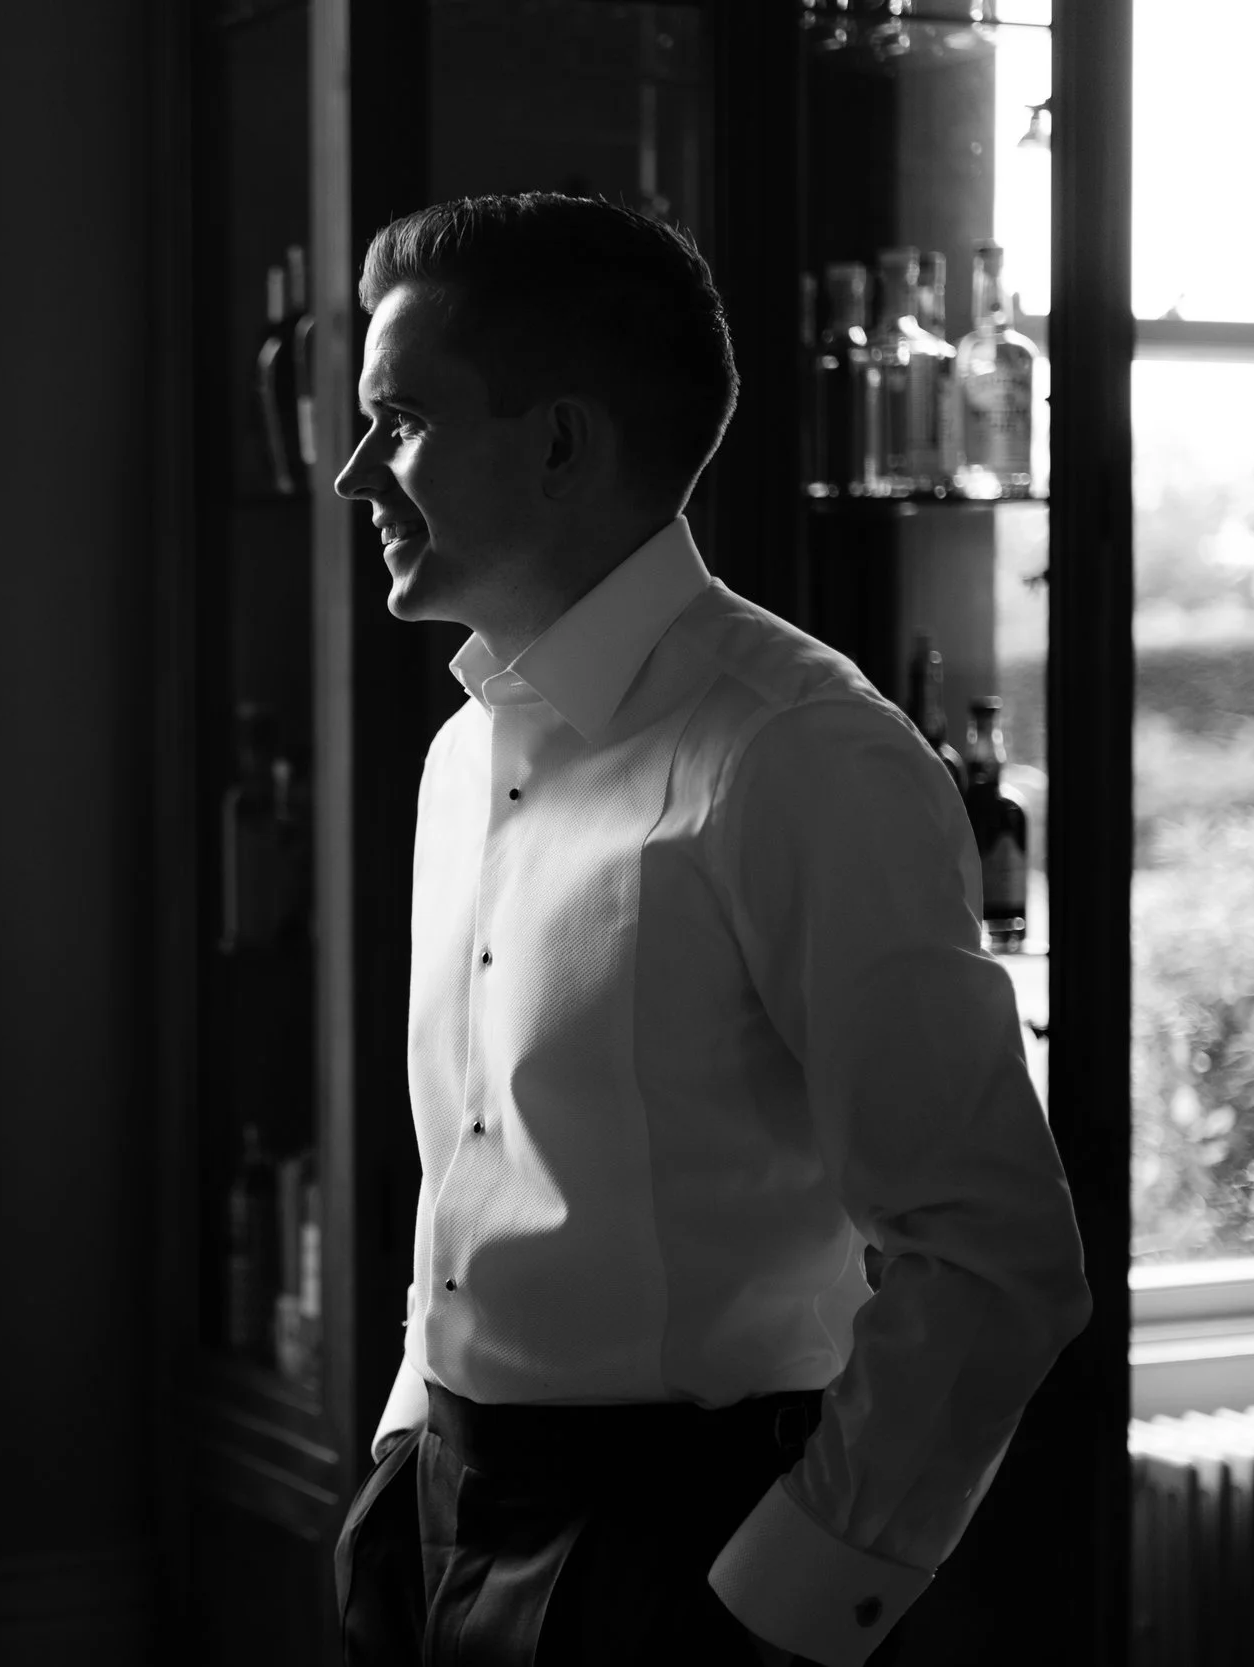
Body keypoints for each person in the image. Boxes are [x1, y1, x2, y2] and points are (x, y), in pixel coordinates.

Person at [327, 194, 1092, 1667]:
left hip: (680, 1563)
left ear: (560, 442)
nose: (358, 471)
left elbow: (995, 1256)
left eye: (402, 421)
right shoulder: (455, 759)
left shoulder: (802, 753)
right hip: (434, 1520)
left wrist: (771, 1615)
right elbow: (479, 1172)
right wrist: (406, 1455)